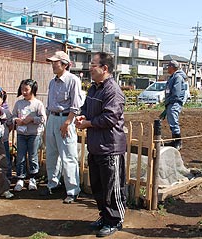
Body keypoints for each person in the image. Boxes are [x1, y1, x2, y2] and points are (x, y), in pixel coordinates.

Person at [75, 52, 126, 237]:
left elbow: (110, 118)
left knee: (112, 188)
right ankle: (104, 217)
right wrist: (83, 115)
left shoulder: (113, 90)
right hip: (96, 146)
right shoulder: (94, 88)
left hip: (110, 147)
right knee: (98, 186)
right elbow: (86, 108)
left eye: (93, 64)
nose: (90, 67)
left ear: (104, 68)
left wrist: (87, 123)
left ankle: (115, 220)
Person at [41, 51, 82, 204]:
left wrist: (67, 123)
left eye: (55, 62)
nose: (53, 64)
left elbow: (76, 105)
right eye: (52, 62)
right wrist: (47, 124)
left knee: (68, 156)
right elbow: (49, 104)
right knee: (51, 154)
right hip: (52, 118)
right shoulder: (52, 82)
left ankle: (73, 190)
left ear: (64, 64)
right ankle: (53, 183)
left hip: (66, 119)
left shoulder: (73, 80)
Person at [9, 79, 46, 192]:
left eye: (26, 89)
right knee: (20, 156)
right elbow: (13, 116)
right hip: (21, 134)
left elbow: (43, 118)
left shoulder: (38, 104)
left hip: (34, 134)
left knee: (33, 156)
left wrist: (31, 119)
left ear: (33, 90)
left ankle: (33, 178)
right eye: (22, 89)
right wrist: (16, 120)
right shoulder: (19, 103)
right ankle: (20, 177)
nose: (24, 92)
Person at [160, 60, 187, 150]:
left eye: (168, 66)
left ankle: (178, 142)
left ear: (172, 67)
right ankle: (174, 140)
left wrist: (170, 102)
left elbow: (176, 92)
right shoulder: (173, 77)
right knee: (171, 121)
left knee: (174, 121)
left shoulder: (178, 77)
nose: (167, 68)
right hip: (171, 102)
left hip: (174, 102)